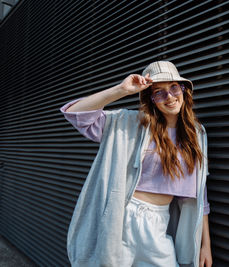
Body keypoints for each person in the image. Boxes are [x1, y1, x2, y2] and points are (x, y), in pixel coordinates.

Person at [60, 61, 212, 267]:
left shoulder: (197, 134)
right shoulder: (130, 123)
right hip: (122, 218)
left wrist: (206, 246)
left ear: (184, 90)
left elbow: (200, 193)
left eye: (174, 87)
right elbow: (76, 113)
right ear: (151, 100)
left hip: (159, 223)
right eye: (159, 92)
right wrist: (120, 90)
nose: (169, 97)